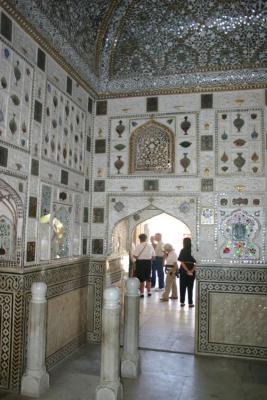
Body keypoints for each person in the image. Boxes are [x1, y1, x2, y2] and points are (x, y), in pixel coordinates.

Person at [133, 233, 155, 298]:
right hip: (148, 262)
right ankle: (149, 292)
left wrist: (138, 258)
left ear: (140, 239)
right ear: (146, 239)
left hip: (140, 263)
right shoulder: (150, 246)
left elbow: (135, 255)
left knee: (141, 278)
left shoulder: (138, 246)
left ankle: (142, 293)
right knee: (148, 277)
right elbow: (154, 257)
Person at [178, 237, 196, 308]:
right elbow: (197, 262)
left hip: (183, 270)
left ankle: (182, 302)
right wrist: (191, 270)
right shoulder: (194, 251)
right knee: (190, 286)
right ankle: (190, 303)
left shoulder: (182, 250)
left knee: (182, 286)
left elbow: (182, 262)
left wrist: (187, 270)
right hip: (192, 268)